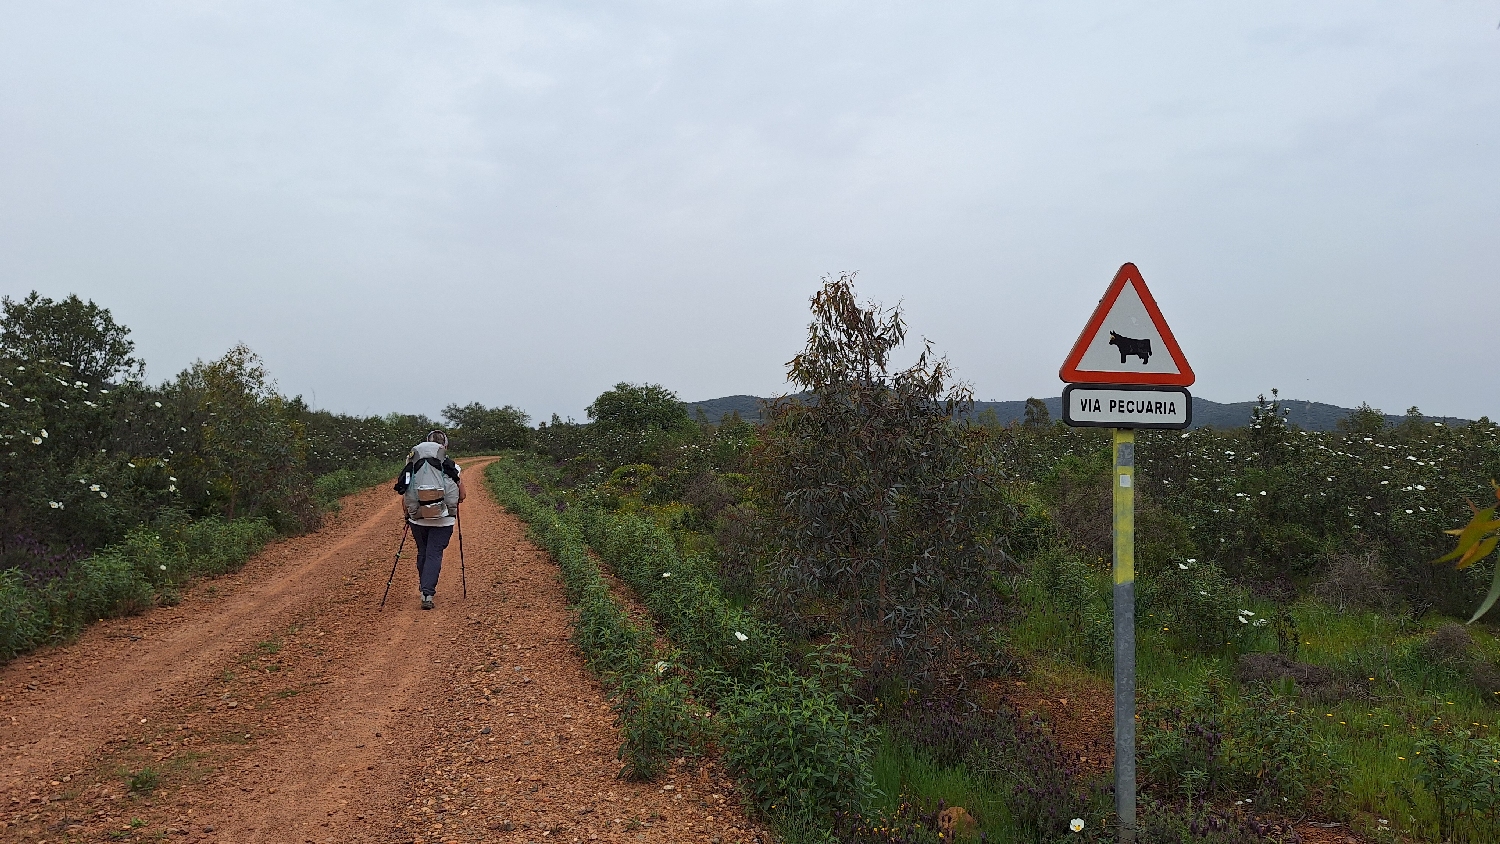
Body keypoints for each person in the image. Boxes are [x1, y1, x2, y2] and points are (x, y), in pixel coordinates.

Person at [393, 430, 466, 610]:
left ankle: (425, 585)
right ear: (444, 446)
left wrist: (407, 515)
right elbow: (462, 495)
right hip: (443, 520)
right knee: (434, 553)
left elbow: (405, 492)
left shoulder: (412, 464)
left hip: (417, 518)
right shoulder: (451, 466)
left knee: (423, 551)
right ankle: (427, 592)